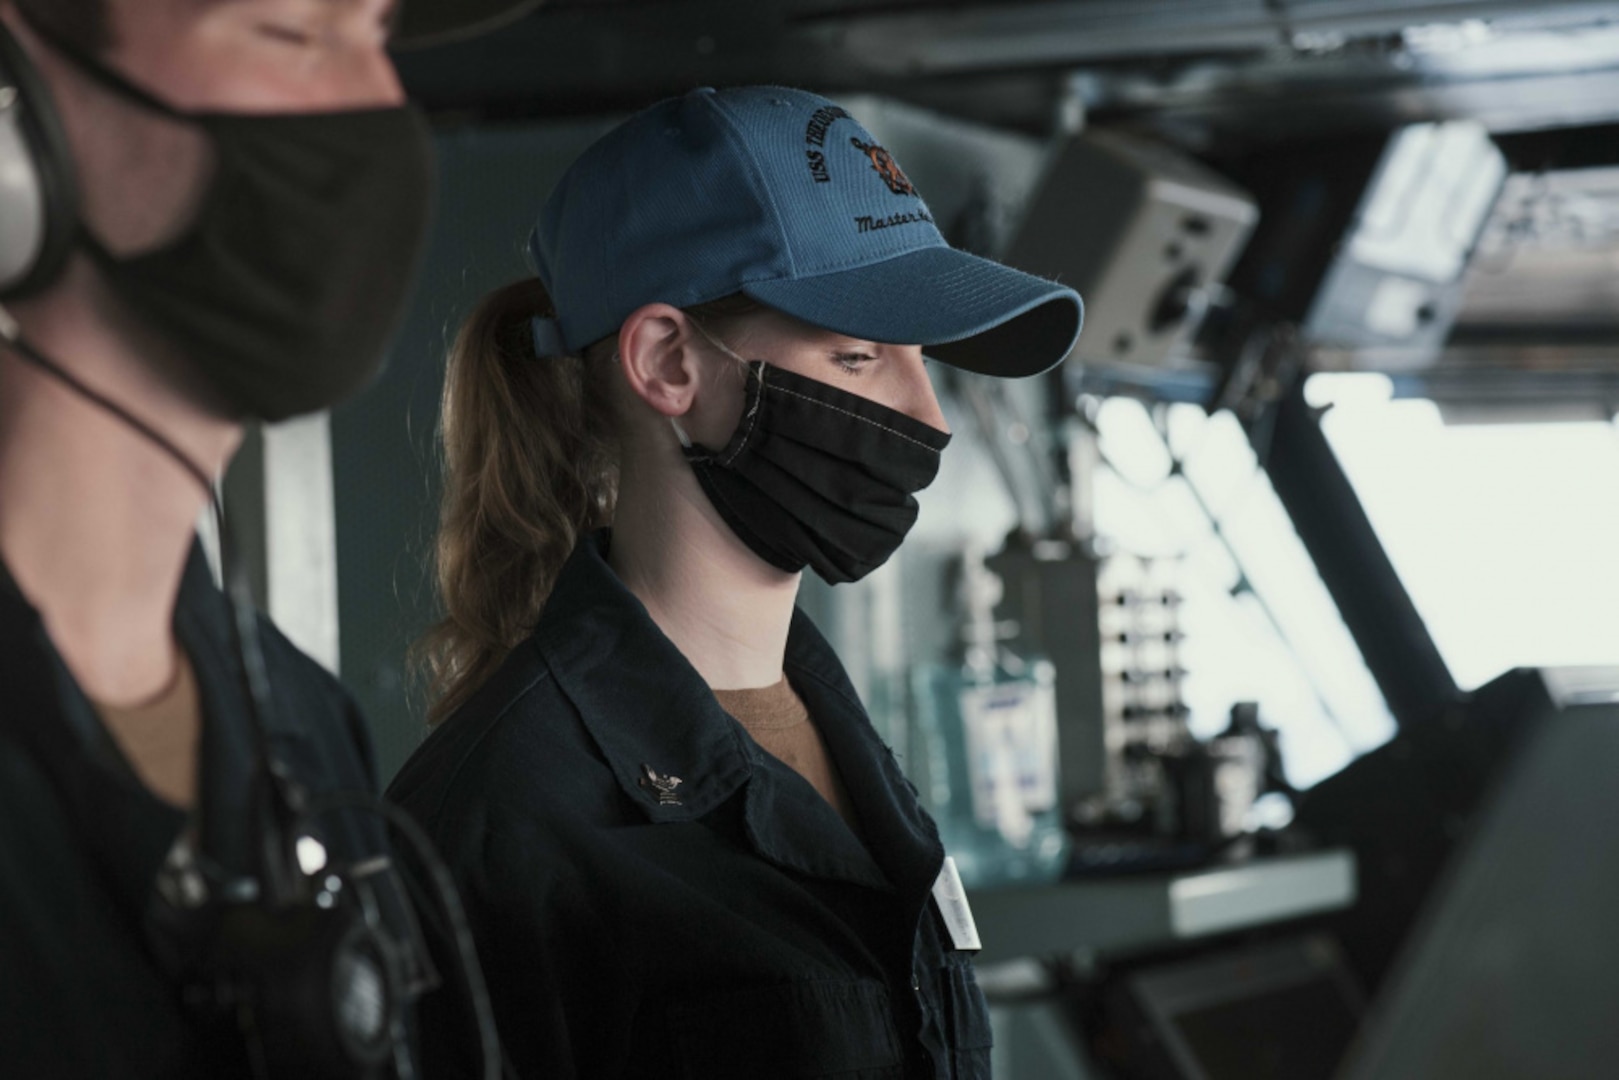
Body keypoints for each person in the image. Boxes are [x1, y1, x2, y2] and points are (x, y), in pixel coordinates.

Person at [388, 85, 1084, 1078]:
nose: (927, 418)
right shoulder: (499, 828)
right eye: (858, 355)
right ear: (669, 362)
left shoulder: (847, 745)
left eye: (921, 361)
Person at [0, 0, 534, 1074]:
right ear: (22, 126)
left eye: (375, 33)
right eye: (289, 30)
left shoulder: (298, 723)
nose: (381, 111)